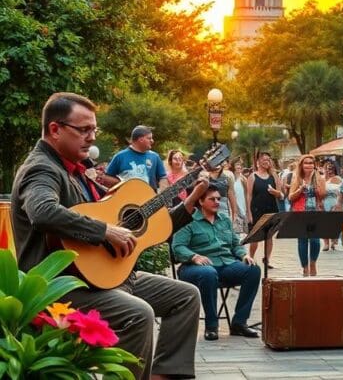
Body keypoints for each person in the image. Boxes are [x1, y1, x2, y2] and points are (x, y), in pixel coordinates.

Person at [11, 92, 209, 380]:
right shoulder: (43, 168)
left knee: (185, 296)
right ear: (55, 129)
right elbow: (42, 211)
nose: (91, 138)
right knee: (137, 313)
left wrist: (190, 202)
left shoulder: (78, 170)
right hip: (63, 285)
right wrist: (104, 231)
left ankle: (164, 376)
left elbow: (144, 229)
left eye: (94, 129)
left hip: (101, 278)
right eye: (84, 130)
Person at [172, 183, 261, 341]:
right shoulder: (187, 220)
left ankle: (239, 323)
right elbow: (177, 247)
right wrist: (194, 257)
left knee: (253, 269)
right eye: (212, 199)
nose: (217, 202)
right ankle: (211, 326)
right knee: (208, 273)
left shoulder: (224, 219)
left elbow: (235, 244)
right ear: (200, 201)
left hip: (225, 264)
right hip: (194, 268)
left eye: (219, 199)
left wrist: (243, 255)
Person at [288, 154, 326, 276]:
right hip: (300, 213)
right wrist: (300, 189)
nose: (309, 165)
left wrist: (316, 187)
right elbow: (290, 197)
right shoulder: (297, 178)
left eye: (311, 163)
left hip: (315, 212)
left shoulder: (319, 177)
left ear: (314, 165)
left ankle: (313, 263)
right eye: (306, 163)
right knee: (302, 241)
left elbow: (323, 195)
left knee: (315, 241)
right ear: (301, 165)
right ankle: (305, 267)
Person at [246, 150, 283, 266]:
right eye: (264, 159)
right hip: (256, 209)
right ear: (258, 161)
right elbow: (249, 195)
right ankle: (250, 258)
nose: (266, 162)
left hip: (271, 208)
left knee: (269, 236)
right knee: (254, 237)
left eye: (268, 159)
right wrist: (249, 213)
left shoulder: (274, 176)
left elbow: (281, 195)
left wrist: (274, 192)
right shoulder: (253, 176)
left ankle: (267, 259)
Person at [105, 125, 168, 191]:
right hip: (126, 200)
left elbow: (163, 178)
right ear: (141, 139)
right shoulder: (120, 156)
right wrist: (122, 183)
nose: (152, 141)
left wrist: (162, 193)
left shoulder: (155, 157)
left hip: (150, 199)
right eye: (149, 138)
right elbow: (107, 178)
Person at [322, 161, 342, 251]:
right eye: (327, 168)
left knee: (333, 223)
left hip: (334, 202)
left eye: (330, 168)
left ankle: (334, 240)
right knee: (323, 223)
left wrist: (339, 204)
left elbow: (342, 192)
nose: (328, 170)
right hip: (323, 202)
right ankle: (326, 243)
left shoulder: (338, 178)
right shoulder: (321, 179)